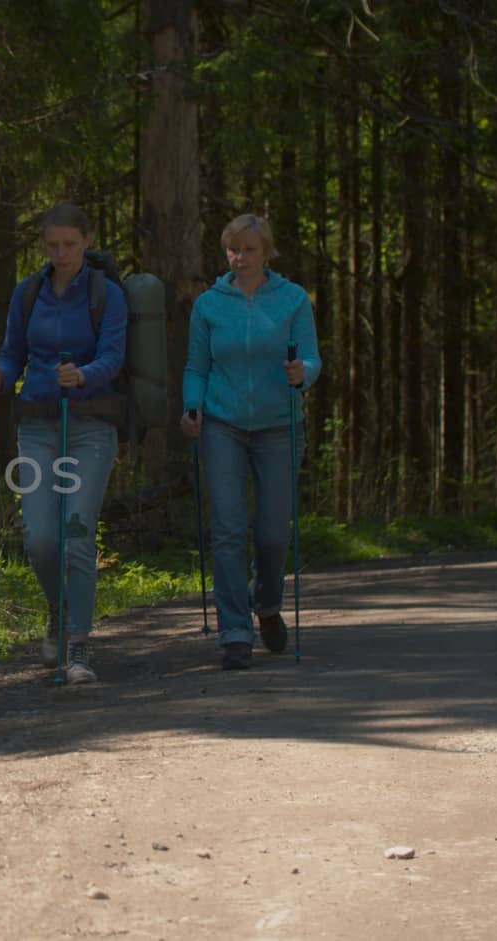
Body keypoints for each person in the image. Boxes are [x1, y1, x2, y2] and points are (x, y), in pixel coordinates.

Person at [0, 203, 127, 684]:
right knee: (41, 539)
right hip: (37, 424)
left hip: (90, 425)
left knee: (77, 535)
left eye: (69, 244)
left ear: (85, 241)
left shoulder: (107, 295)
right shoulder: (28, 294)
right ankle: (57, 610)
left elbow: (113, 355)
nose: (61, 253)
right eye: (52, 245)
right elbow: (13, 353)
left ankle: (79, 647)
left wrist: (82, 374)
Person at [180, 213, 321, 670]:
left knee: (272, 532)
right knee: (227, 527)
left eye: (249, 250)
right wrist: (192, 405)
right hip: (222, 424)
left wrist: (303, 374)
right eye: (233, 250)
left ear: (267, 253)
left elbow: (311, 358)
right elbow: (196, 367)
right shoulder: (209, 305)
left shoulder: (293, 300)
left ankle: (267, 603)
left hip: (279, 424)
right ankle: (235, 632)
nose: (240, 258)